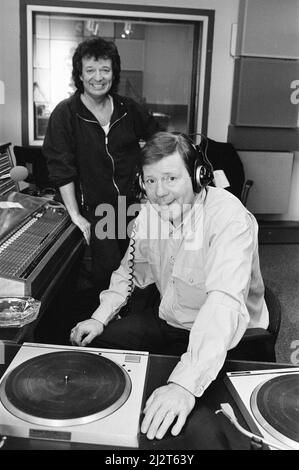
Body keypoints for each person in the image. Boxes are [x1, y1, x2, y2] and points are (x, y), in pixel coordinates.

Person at [70, 131, 269, 440]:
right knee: (99, 349)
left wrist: (183, 385)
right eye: (150, 181)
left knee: (200, 430)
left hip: (227, 334)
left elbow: (223, 304)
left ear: (197, 176)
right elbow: (129, 272)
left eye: (170, 178)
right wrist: (100, 316)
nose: (159, 193)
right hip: (170, 319)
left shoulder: (229, 219)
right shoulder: (150, 215)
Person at [42, 37, 160, 294]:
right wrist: (75, 216)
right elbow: (61, 169)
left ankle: (134, 324)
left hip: (131, 207)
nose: (98, 77)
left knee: (142, 273)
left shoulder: (128, 109)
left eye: (105, 70)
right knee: (107, 278)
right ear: (80, 75)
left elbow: (159, 144)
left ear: (114, 73)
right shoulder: (65, 114)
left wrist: (151, 189)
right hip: (94, 211)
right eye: (91, 70)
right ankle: (105, 326)